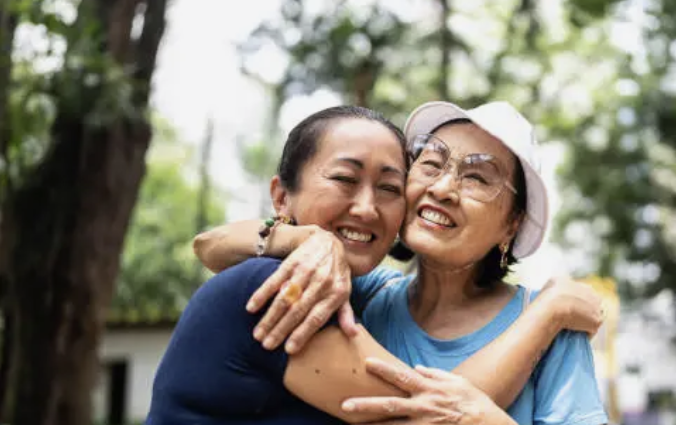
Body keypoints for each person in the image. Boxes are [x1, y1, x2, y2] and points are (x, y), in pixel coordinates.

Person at [147, 105, 605, 425]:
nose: (444, 188)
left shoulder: (555, 334)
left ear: (512, 225)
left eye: (478, 178)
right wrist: (304, 237)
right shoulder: (351, 294)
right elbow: (210, 246)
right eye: (432, 164)